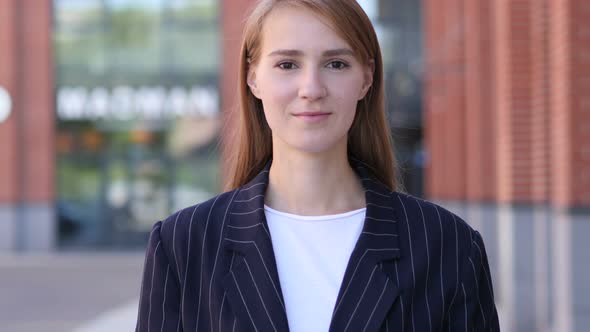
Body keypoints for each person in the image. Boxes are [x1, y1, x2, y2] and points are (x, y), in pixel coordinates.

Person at [135, 0, 500, 331]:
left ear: (366, 78)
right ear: (253, 78)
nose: (311, 87)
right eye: (287, 64)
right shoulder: (184, 244)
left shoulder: (447, 245)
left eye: (336, 64)